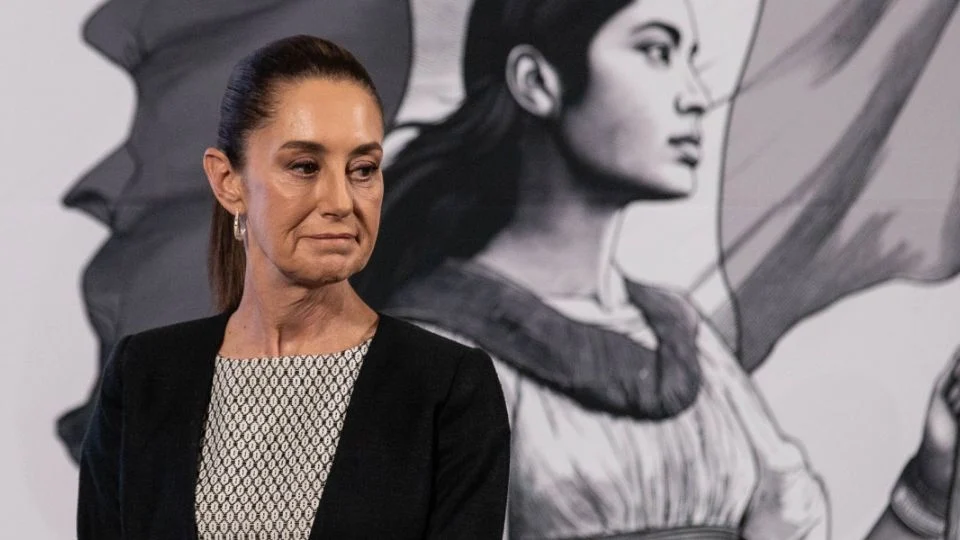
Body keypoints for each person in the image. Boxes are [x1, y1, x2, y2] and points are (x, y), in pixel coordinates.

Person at [351, 0, 960, 538]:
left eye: (690, 59)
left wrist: (930, 482)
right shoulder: (432, 356)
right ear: (537, 82)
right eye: (657, 51)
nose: (694, 95)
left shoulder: (688, 340)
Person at [76, 35, 510, 540]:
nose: (341, 201)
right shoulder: (143, 377)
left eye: (363, 169)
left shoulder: (448, 389)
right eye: (304, 167)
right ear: (228, 180)